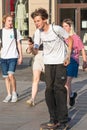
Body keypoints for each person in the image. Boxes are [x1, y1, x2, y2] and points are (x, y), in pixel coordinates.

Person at [30, 8, 73, 129]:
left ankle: (63, 121)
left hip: (60, 62)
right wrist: (32, 49)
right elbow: (36, 49)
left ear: (44, 19)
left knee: (59, 89)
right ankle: (53, 119)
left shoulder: (56, 29)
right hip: (48, 63)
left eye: (38, 21)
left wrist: (68, 55)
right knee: (49, 90)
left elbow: (69, 39)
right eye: (35, 21)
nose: (36, 23)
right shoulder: (38, 33)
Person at [62, 18, 87, 107]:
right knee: (65, 83)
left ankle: (65, 106)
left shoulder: (75, 38)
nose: (64, 28)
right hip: (64, 61)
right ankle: (71, 95)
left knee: (66, 83)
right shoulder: (62, 37)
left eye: (66, 26)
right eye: (63, 26)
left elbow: (82, 49)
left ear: (70, 27)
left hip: (73, 61)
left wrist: (84, 61)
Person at [0, 14, 23, 103]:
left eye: (11, 20)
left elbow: (19, 44)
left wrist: (20, 56)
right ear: (4, 21)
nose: (11, 22)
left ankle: (14, 93)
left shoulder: (15, 31)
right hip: (3, 57)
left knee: (10, 75)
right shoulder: (1, 32)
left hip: (13, 56)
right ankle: (9, 94)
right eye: (9, 21)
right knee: (6, 77)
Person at [26, 37, 44, 106]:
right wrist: (31, 47)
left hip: (49, 58)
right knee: (35, 79)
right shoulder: (36, 35)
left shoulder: (51, 33)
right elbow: (32, 52)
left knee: (50, 81)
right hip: (38, 58)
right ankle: (32, 99)